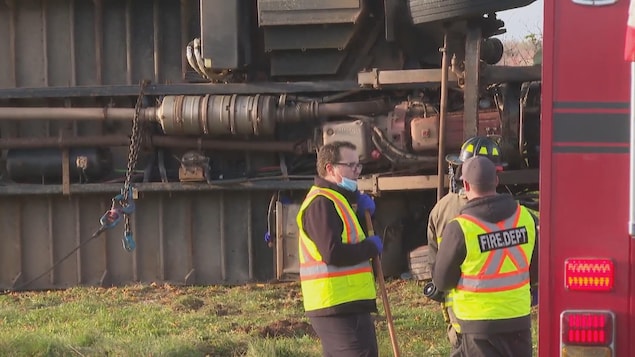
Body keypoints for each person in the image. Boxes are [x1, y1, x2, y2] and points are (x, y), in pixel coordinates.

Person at [432, 156, 539, 357]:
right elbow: (537, 271)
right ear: (497, 181)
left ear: (464, 184)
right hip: (518, 320)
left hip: (477, 327)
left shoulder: (460, 228)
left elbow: (442, 281)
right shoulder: (525, 218)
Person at [296, 141, 383, 357]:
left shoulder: (339, 200)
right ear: (330, 168)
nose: (357, 171)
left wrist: (362, 209)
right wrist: (369, 248)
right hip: (335, 305)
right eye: (351, 165)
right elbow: (331, 252)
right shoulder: (321, 204)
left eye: (358, 166)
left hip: (349, 303)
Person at [425, 136, 503, 346]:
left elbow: (436, 270)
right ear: (495, 176)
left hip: (463, 323)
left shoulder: (441, 210)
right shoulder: (511, 212)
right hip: (506, 322)